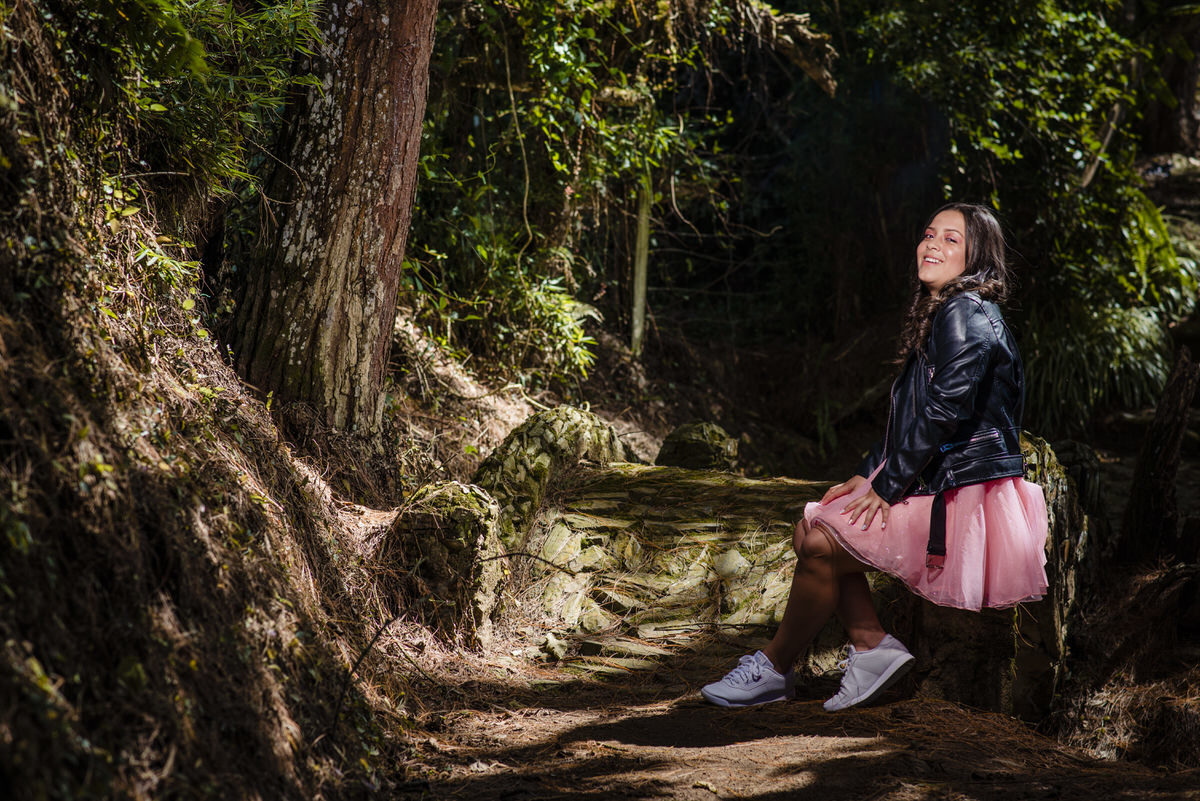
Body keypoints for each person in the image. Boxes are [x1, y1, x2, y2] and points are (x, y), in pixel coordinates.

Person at [701, 202, 1049, 712]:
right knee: (813, 531)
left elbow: (946, 409)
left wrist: (887, 487)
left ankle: (776, 667)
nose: (932, 244)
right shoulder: (954, 309)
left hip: (958, 488)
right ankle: (870, 646)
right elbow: (914, 413)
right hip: (938, 474)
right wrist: (867, 473)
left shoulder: (964, 311)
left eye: (952, 240)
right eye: (929, 234)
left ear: (978, 259)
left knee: (819, 542)